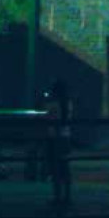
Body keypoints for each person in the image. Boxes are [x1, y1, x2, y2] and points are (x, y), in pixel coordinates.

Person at [44, 78, 74, 210]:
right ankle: (67, 196)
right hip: (66, 137)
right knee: (64, 167)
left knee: (55, 169)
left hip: (54, 138)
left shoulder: (52, 104)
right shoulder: (68, 103)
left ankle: (57, 197)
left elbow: (48, 118)